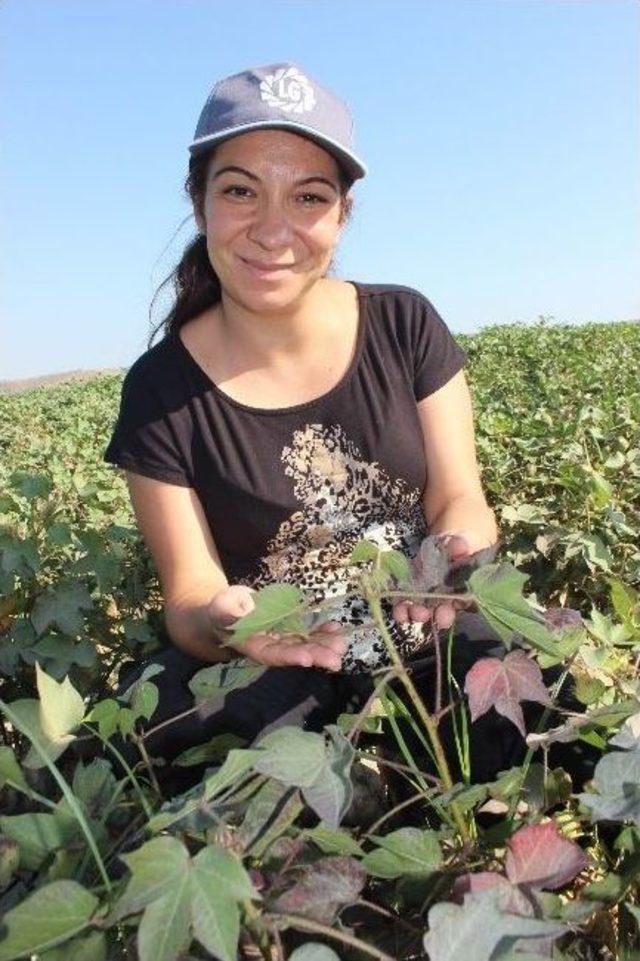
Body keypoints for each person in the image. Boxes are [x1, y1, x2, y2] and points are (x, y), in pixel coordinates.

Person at [103, 62, 501, 787]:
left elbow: (459, 497)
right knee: (154, 732)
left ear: (342, 213)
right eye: (240, 191)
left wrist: (449, 555)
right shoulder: (160, 390)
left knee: (518, 695)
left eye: (308, 197)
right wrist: (229, 623)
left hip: (416, 624)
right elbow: (189, 596)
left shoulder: (404, 323)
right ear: (199, 204)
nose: (274, 229)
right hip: (274, 653)